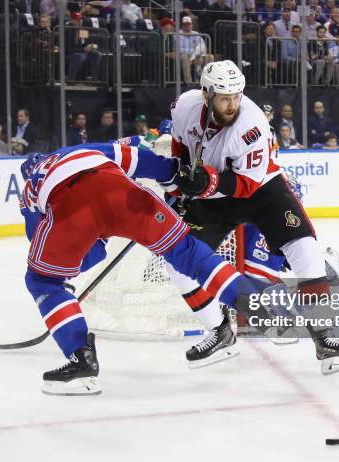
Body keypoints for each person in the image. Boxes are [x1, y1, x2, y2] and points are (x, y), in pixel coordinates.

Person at [19, 141, 282, 394]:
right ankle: (252, 301)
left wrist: (85, 256)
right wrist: (175, 183)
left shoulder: (29, 188)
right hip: (124, 195)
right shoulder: (79, 150)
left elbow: (42, 252)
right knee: (187, 252)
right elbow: (140, 159)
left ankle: (81, 360)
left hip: (72, 209)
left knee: (43, 282)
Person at [165, 60, 339, 374]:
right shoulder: (184, 106)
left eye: (236, 95)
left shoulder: (252, 123)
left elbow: (246, 184)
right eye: (224, 97)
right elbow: (179, 143)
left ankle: (325, 338)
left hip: (259, 190)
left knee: (303, 246)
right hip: (210, 198)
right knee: (175, 260)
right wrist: (178, 182)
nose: (232, 104)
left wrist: (207, 181)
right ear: (206, 94)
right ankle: (220, 332)